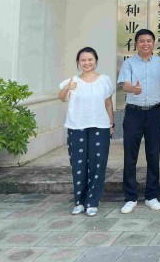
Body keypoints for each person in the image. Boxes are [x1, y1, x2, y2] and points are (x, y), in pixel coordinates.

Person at [117, 29, 160, 215]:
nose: (145, 44)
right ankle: (130, 197)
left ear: (154, 43)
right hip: (134, 113)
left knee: (153, 154)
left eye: (149, 40)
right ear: (136, 43)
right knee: (130, 155)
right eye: (142, 41)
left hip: (155, 113)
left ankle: (151, 196)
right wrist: (133, 88)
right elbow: (125, 85)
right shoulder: (129, 63)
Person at [58, 47, 115, 217]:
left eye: (90, 59)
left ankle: (92, 202)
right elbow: (61, 97)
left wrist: (111, 124)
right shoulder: (72, 81)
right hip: (77, 127)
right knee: (78, 165)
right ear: (78, 62)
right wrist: (68, 87)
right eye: (83, 60)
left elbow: (108, 103)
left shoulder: (104, 80)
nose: (87, 63)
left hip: (100, 126)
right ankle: (79, 202)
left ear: (95, 61)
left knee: (98, 164)